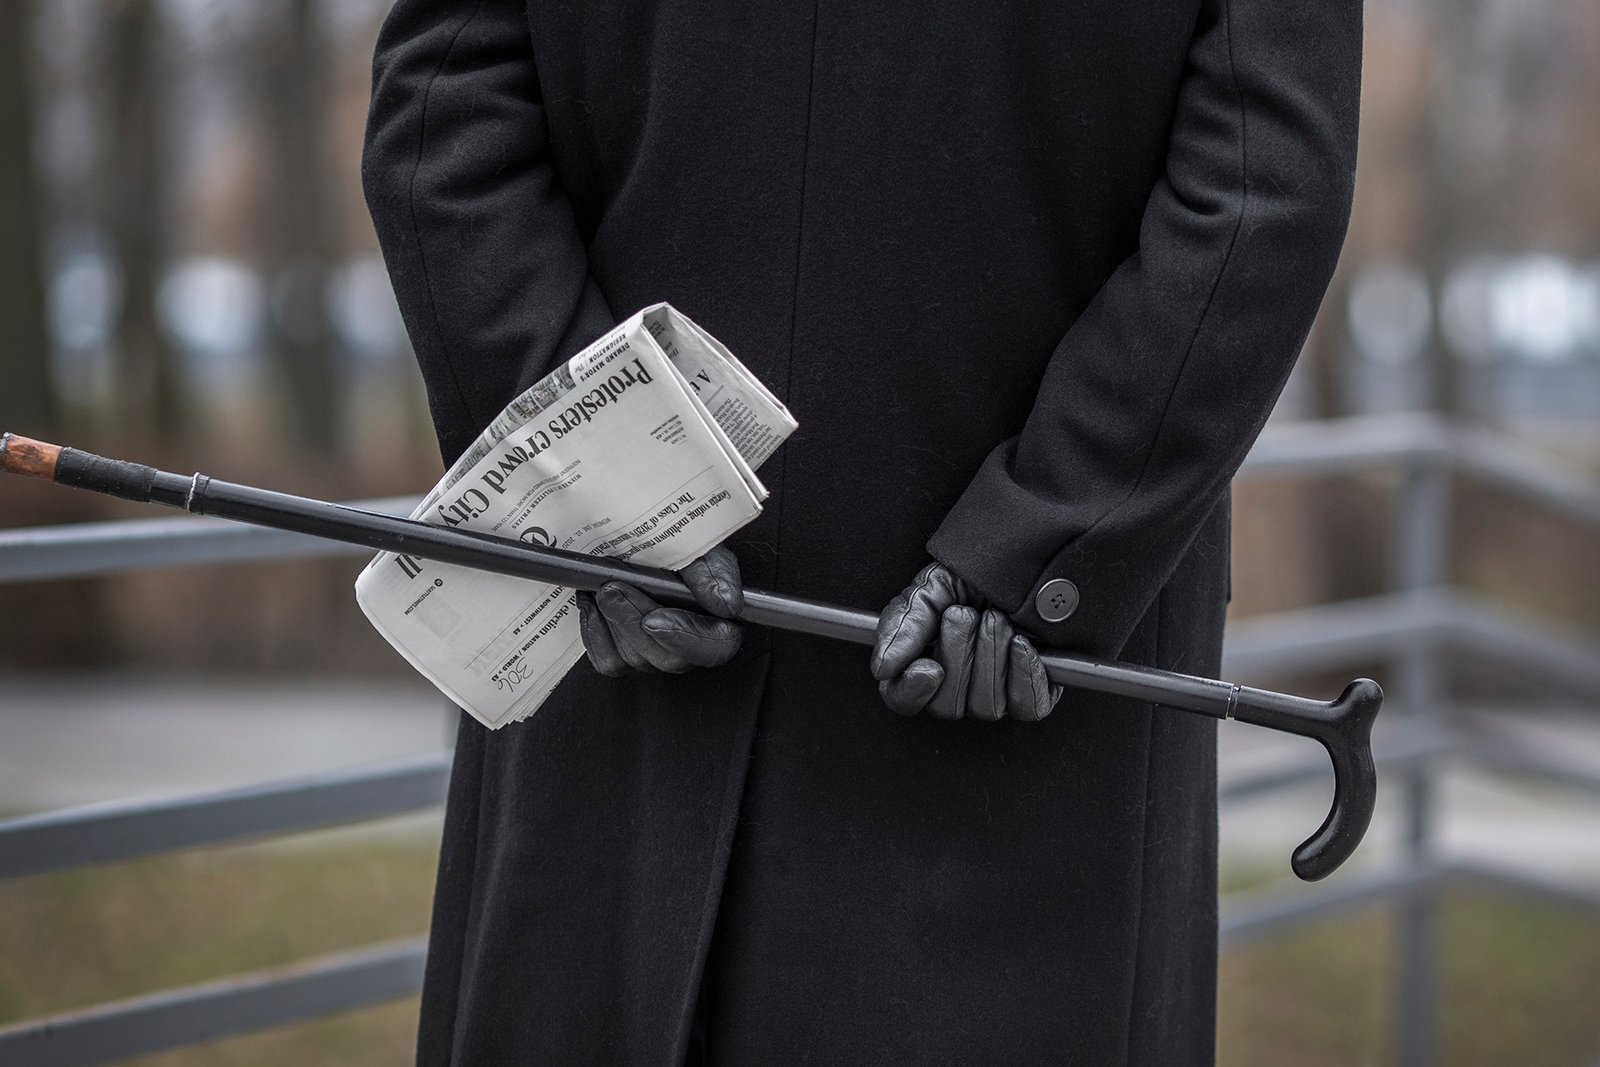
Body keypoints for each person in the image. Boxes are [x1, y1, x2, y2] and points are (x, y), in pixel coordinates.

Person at [361, 0, 1360, 1062]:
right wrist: (1047, 536)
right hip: (997, 725)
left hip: (646, 682)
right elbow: (1264, 186)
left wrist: (600, 487)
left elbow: (440, 118)